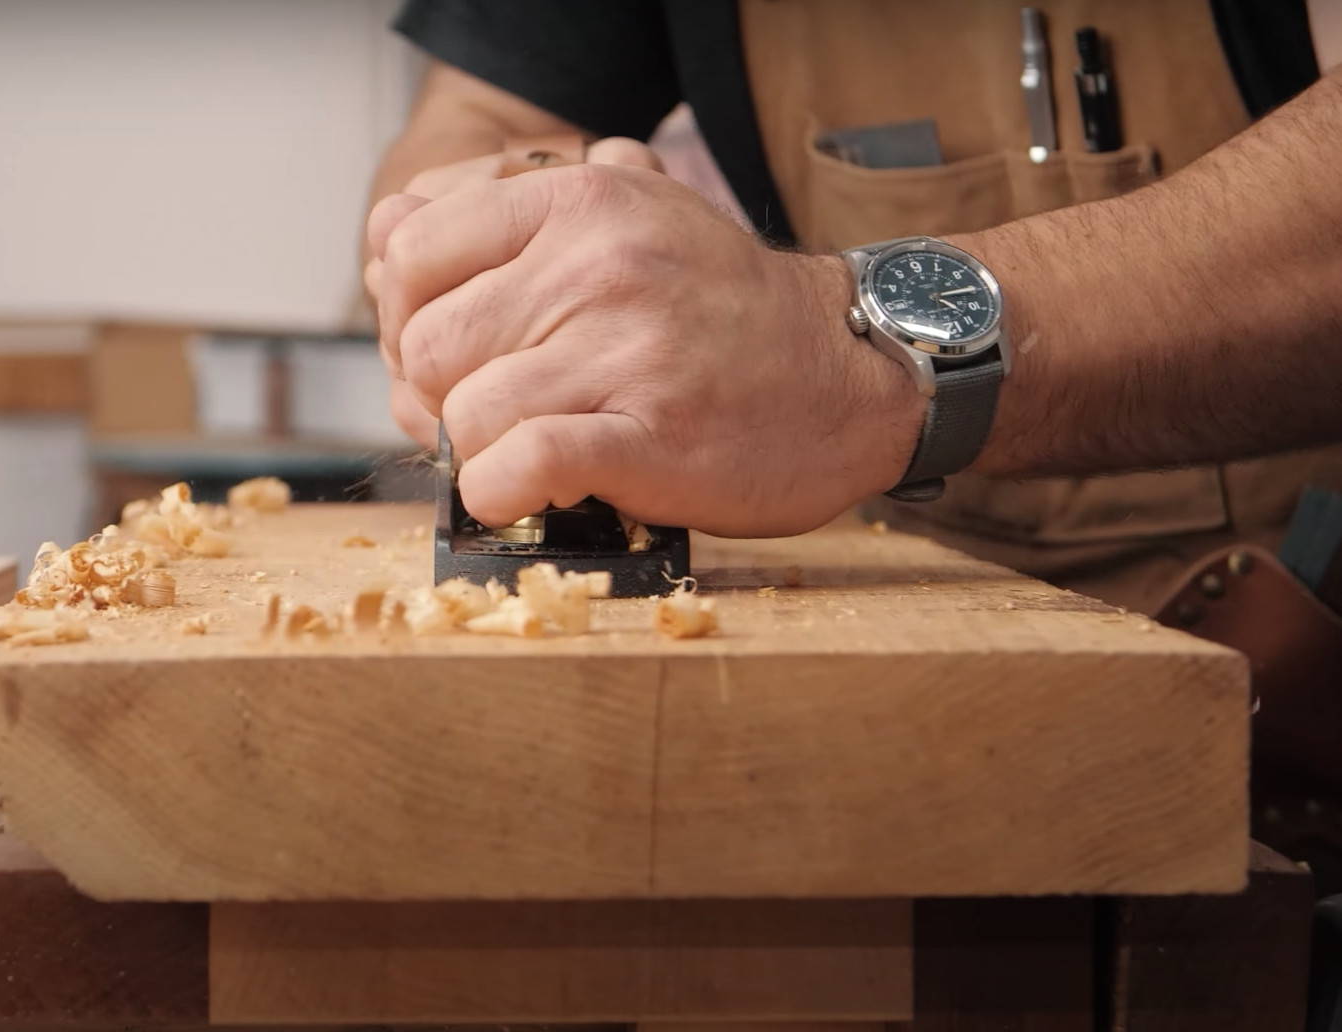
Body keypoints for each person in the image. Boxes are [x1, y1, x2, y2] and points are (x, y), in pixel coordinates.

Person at [366, 1, 1342, 612]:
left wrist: (849, 362)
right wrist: (491, 242)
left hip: (1288, 624)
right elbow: (487, 109)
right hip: (906, 593)